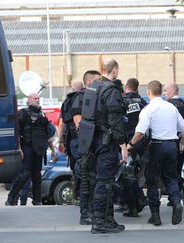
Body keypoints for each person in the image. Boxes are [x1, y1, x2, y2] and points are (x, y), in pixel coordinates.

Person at [128, 80, 184, 226]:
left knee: (152, 181)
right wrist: (181, 145)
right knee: (171, 178)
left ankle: (155, 216)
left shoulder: (148, 109)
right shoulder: (171, 107)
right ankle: (176, 202)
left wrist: (130, 145)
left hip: (156, 147)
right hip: (172, 146)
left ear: (149, 92)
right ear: (160, 92)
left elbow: (140, 132)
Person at [78, 59, 128, 234]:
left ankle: (108, 219)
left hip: (93, 140)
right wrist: (123, 145)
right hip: (107, 142)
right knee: (105, 182)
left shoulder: (94, 87)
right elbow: (115, 120)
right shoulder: (111, 90)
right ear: (114, 70)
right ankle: (99, 221)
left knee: (104, 181)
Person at [60, 75, 100, 224]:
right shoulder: (80, 98)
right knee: (86, 175)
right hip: (81, 141)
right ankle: (85, 213)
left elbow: (63, 124)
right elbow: (77, 120)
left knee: (85, 175)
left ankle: (86, 210)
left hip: (76, 141)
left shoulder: (72, 99)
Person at [5, 92, 53, 206]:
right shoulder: (23, 113)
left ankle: (37, 200)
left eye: (38, 98)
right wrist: (19, 148)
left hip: (39, 149)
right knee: (25, 173)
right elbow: (16, 131)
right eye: (35, 98)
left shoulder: (42, 115)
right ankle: (11, 198)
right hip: (27, 147)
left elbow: (47, 134)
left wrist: (53, 151)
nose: (37, 100)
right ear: (29, 100)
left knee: (37, 175)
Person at [163, 82, 184, 206]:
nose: (164, 93)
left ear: (172, 92)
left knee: (169, 170)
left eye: (166, 90)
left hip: (172, 141)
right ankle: (175, 197)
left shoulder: (167, 106)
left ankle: (183, 190)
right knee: (175, 169)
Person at [119, 78, 148, 217]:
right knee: (134, 174)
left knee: (127, 175)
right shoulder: (143, 103)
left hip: (128, 143)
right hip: (142, 142)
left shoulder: (124, 102)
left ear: (126, 88)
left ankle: (135, 203)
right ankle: (135, 201)